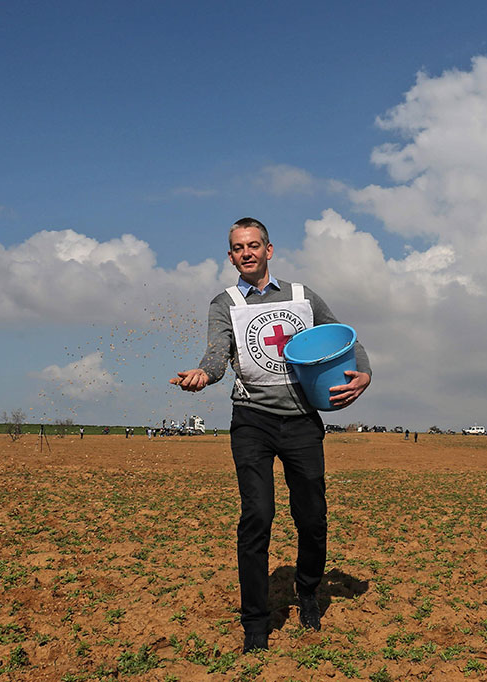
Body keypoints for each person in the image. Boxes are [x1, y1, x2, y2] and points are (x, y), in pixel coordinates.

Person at [172, 217, 371, 653]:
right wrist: (204, 374)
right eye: (238, 247)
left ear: (269, 250)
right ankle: (255, 623)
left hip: (301, 420)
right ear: (230, 257)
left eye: (253, 245)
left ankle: (307, 590)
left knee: (312, 516)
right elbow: (217, 354)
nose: (246, 252)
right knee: (257, 515)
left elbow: (345, 337)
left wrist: (364, 373)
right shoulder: (224, 303)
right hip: (252, 421)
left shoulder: (302, 297)